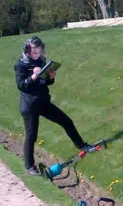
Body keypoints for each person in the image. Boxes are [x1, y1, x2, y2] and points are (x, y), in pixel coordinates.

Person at [14, 36, 89, 175]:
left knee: (66, 121)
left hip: (43, 102)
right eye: (35, 51)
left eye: (39, 51)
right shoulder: (20, 65)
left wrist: (51, 77)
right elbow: (22, 86)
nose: (37, 54)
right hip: (29, 106)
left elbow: (45, 83)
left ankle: (82, 145)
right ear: (28, 50)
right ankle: (29, 166)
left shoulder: (42, 61)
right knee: (31, 135)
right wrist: (34, 76)